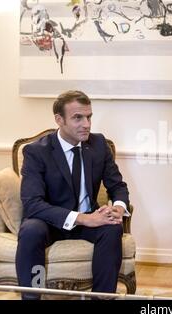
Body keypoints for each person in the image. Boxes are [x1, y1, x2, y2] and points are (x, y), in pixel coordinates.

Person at [15, 90, 130, 299]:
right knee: (31, 229)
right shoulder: (36, 152)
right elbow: (32, 204)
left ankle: (102, 298)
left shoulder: (98, 144)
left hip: (88, 220)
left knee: (112, 228)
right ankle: (32, 296)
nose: (86, 124)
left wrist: (118, 208)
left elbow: (118, 186)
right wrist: (84, 218)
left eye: (89, 117)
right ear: (59, 120)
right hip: (50, 222)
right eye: (78, 117)